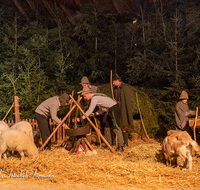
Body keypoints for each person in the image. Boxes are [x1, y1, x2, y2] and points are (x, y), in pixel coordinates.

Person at [78, 86, 124, 152]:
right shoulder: (97, 97)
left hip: (114, 109)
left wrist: (82, 118)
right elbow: (103, 108)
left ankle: (120, 146)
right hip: (109, 110)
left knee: (116, 127)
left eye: (85, 96)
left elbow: (90, 110)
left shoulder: (94, 98)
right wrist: (96, 114)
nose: (85, 98)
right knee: (107, 127)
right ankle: (109, 145)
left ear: (88, 93)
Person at [112, 73, 134, 146]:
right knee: (118, 125)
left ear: (117, 80)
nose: (113, 83)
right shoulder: (115, 88)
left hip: (123, 109)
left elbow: (126, 100)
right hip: (117, 109)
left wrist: (117, 102)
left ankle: (125, 142)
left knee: (123, 125)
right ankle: (120, 142)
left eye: (114, 81)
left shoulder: (124, 88)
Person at [79, 76, 102, 144]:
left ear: (88, 84)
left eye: (85, 85)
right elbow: (82, 103)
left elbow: (100, 98)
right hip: (87, 111)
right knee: (88, 128)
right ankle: (89, 143)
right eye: (83, 85)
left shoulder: (95, 89)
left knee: (97, 127)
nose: (84, 86)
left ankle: (98, 142)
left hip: (95, 110)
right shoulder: (82, 91)